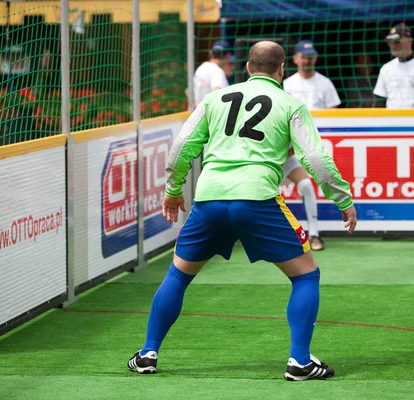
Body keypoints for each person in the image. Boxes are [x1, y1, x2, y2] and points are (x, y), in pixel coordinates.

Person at [127, 41, 357, 381]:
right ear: (282, 70)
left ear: (248, 68)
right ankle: (299, 362)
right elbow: (316, 158)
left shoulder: (214, 98)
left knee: (178, 275)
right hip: (257, 200)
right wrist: (343, 199)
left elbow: (180, 148)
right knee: (306, 275)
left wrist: (173, 191)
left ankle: (148, 353)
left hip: (209, 198)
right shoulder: (291, 104)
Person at [282, 40, 341, 250]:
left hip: (299, 149)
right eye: (303, 56)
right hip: (275, 155)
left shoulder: (324, 82)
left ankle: (314, 234)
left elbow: (335, 115)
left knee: (306, 185)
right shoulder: (286, 84)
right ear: (295, 59)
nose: (307, 60)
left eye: (310, 56)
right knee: (263, 194)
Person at [373, 23, 414, 109]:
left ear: (409, 41)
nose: (393, 45)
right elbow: (379, 100)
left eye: (397, 41)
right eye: (390, 42)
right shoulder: (386, 69)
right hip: (392, 120)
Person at [193, 40, 232, 106]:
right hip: (210, 114)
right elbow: (217, 94)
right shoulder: (218, 72)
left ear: (211, 53)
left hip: (198, 113)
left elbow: (188, 91)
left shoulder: (200, 68)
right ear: (228, 56)